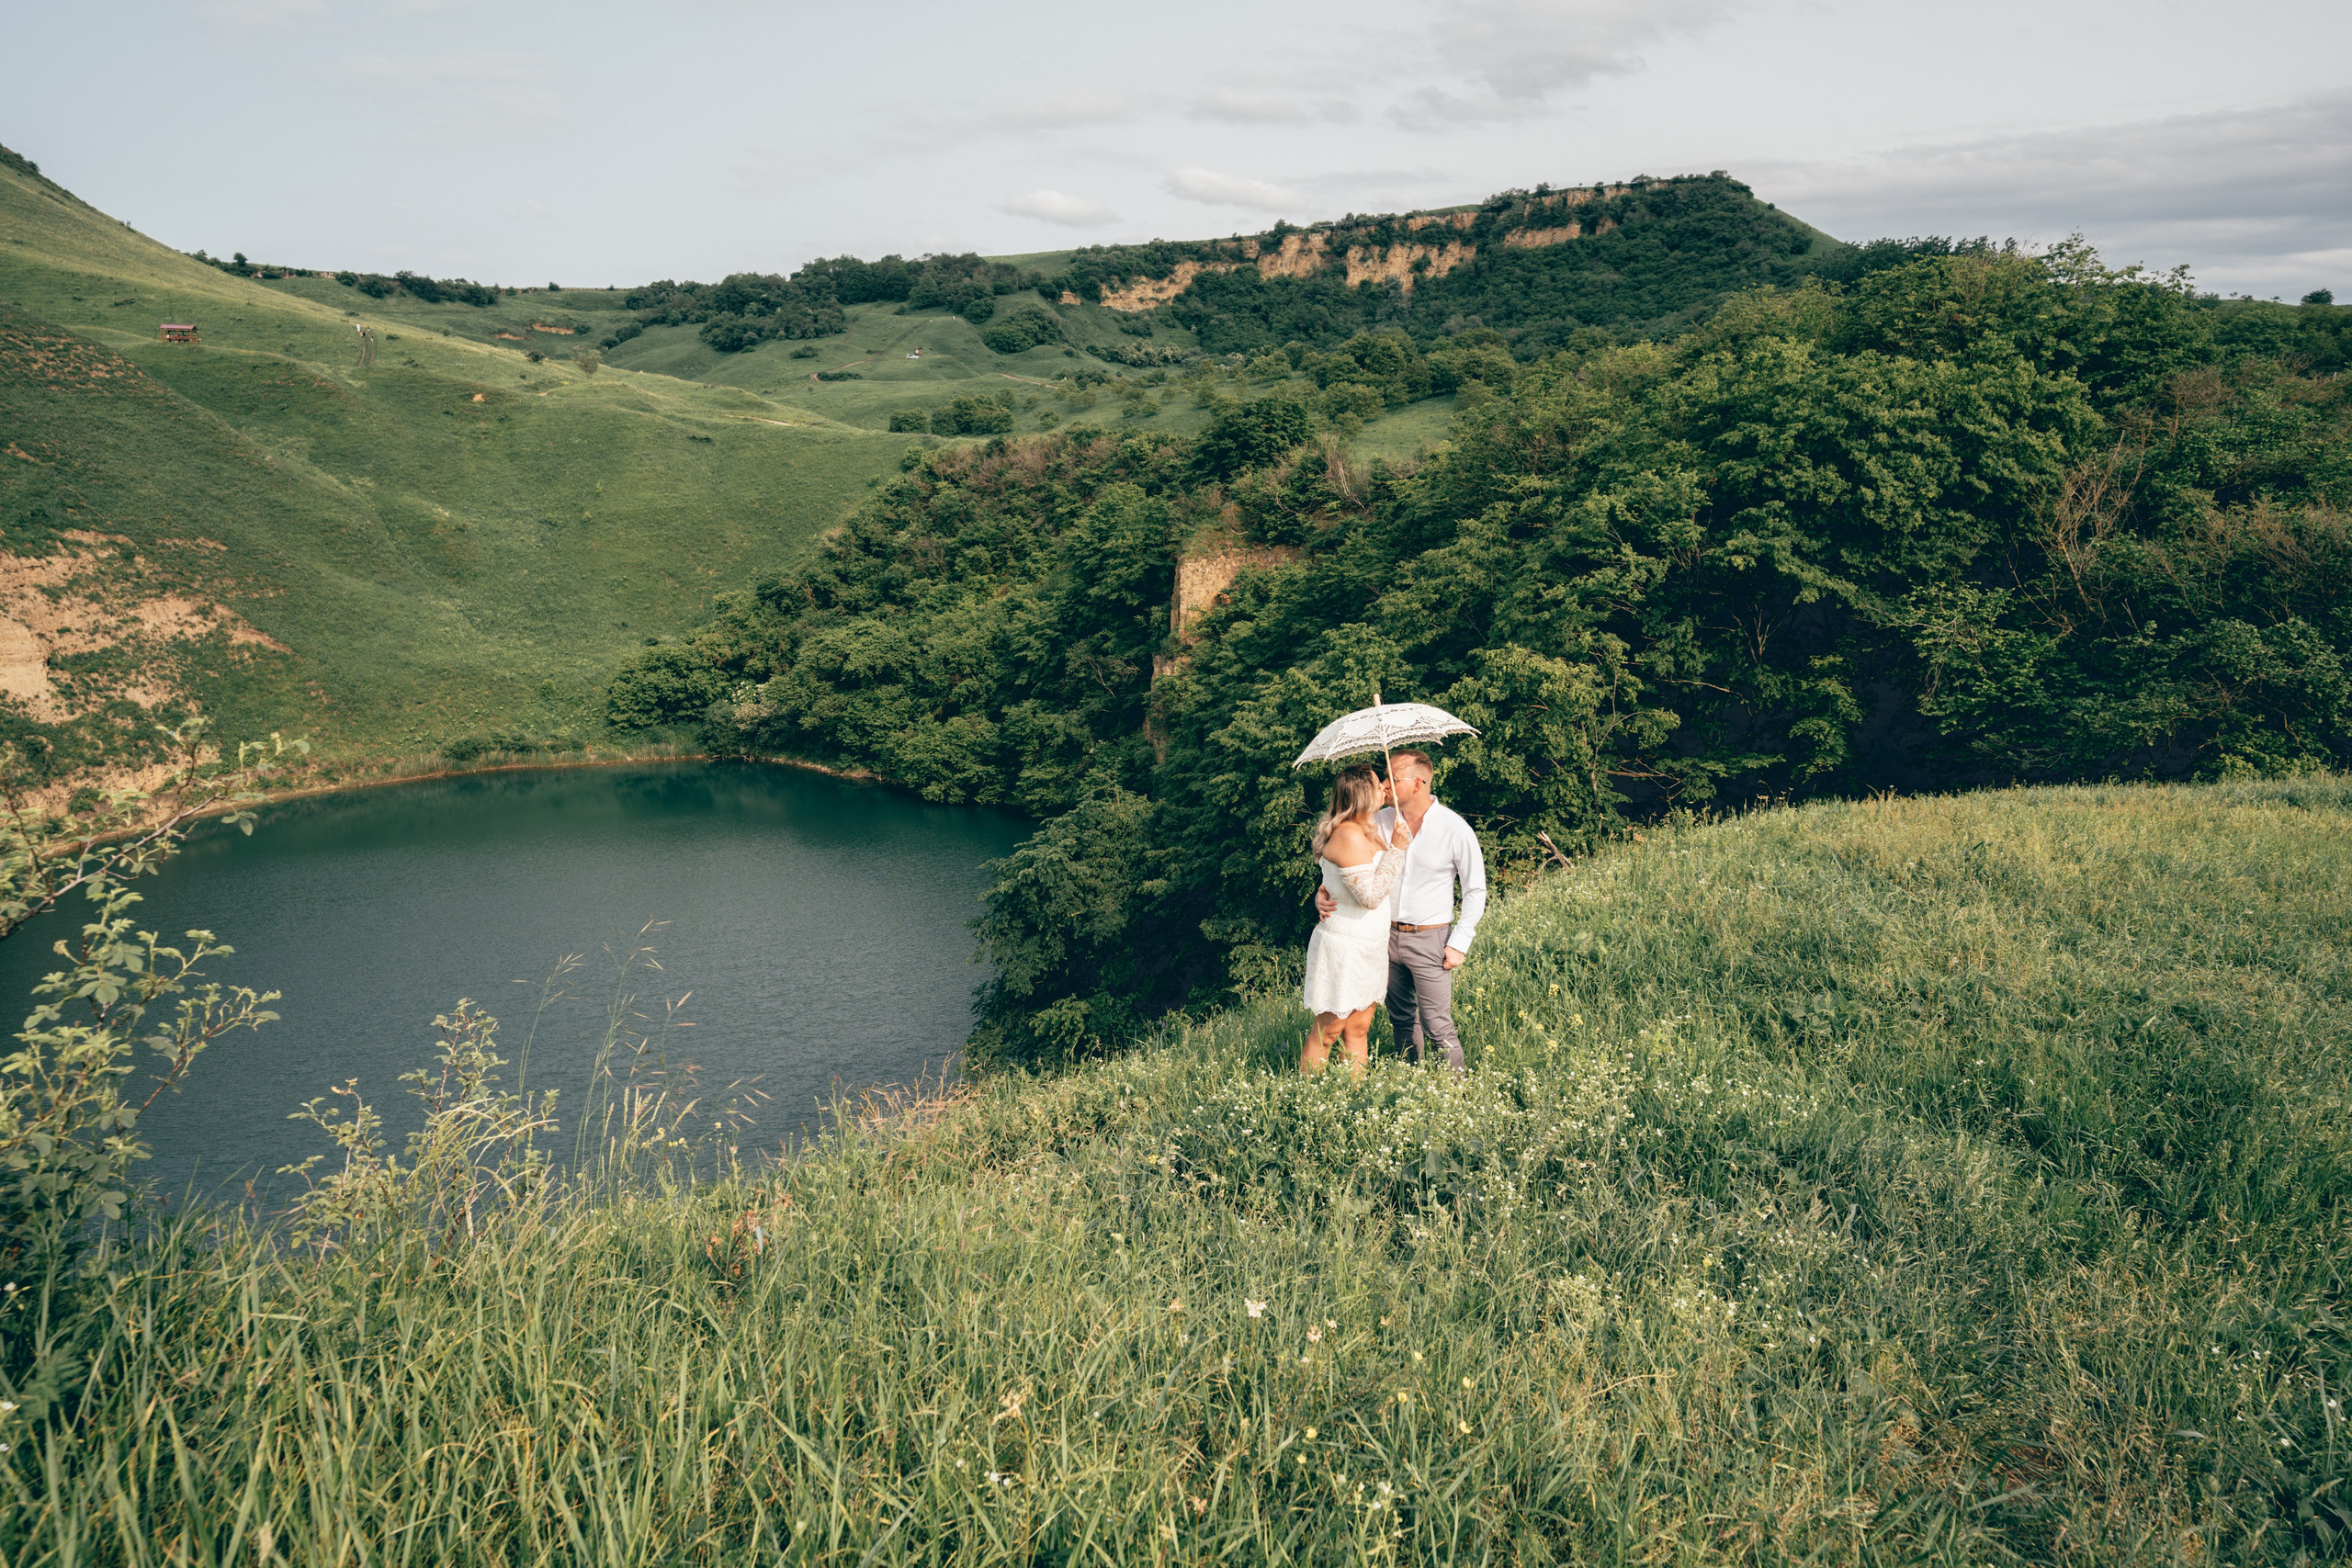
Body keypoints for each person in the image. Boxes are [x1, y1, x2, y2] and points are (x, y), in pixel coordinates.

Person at [1316, 750, 1485, 1073]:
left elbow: (1475, 889)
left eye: (1393, 778)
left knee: (1438, 1025)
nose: (1384, 785)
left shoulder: (1455, 828)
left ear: (1418, 784)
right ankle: (1410, 1079)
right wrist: (1321, 895)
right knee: (1402, 1020)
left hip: (1431, 939)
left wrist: (1459, 942)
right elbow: (1345, 870)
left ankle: (1456, 1092)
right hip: (1381, 936)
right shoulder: (1374, 822)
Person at [1298, 765, 1410, 1079]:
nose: (1384, 789)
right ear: (1362, 793)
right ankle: (1309, 1095)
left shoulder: (1367, 830)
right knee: (1329, 1030)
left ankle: (1354, 1094)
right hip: (1346, 945)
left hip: (1371, 945)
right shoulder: (1348, 833)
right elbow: (1370, 897)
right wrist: (1397, 850)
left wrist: (1323, 891)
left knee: (1359, 1029)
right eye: (1378, 784)